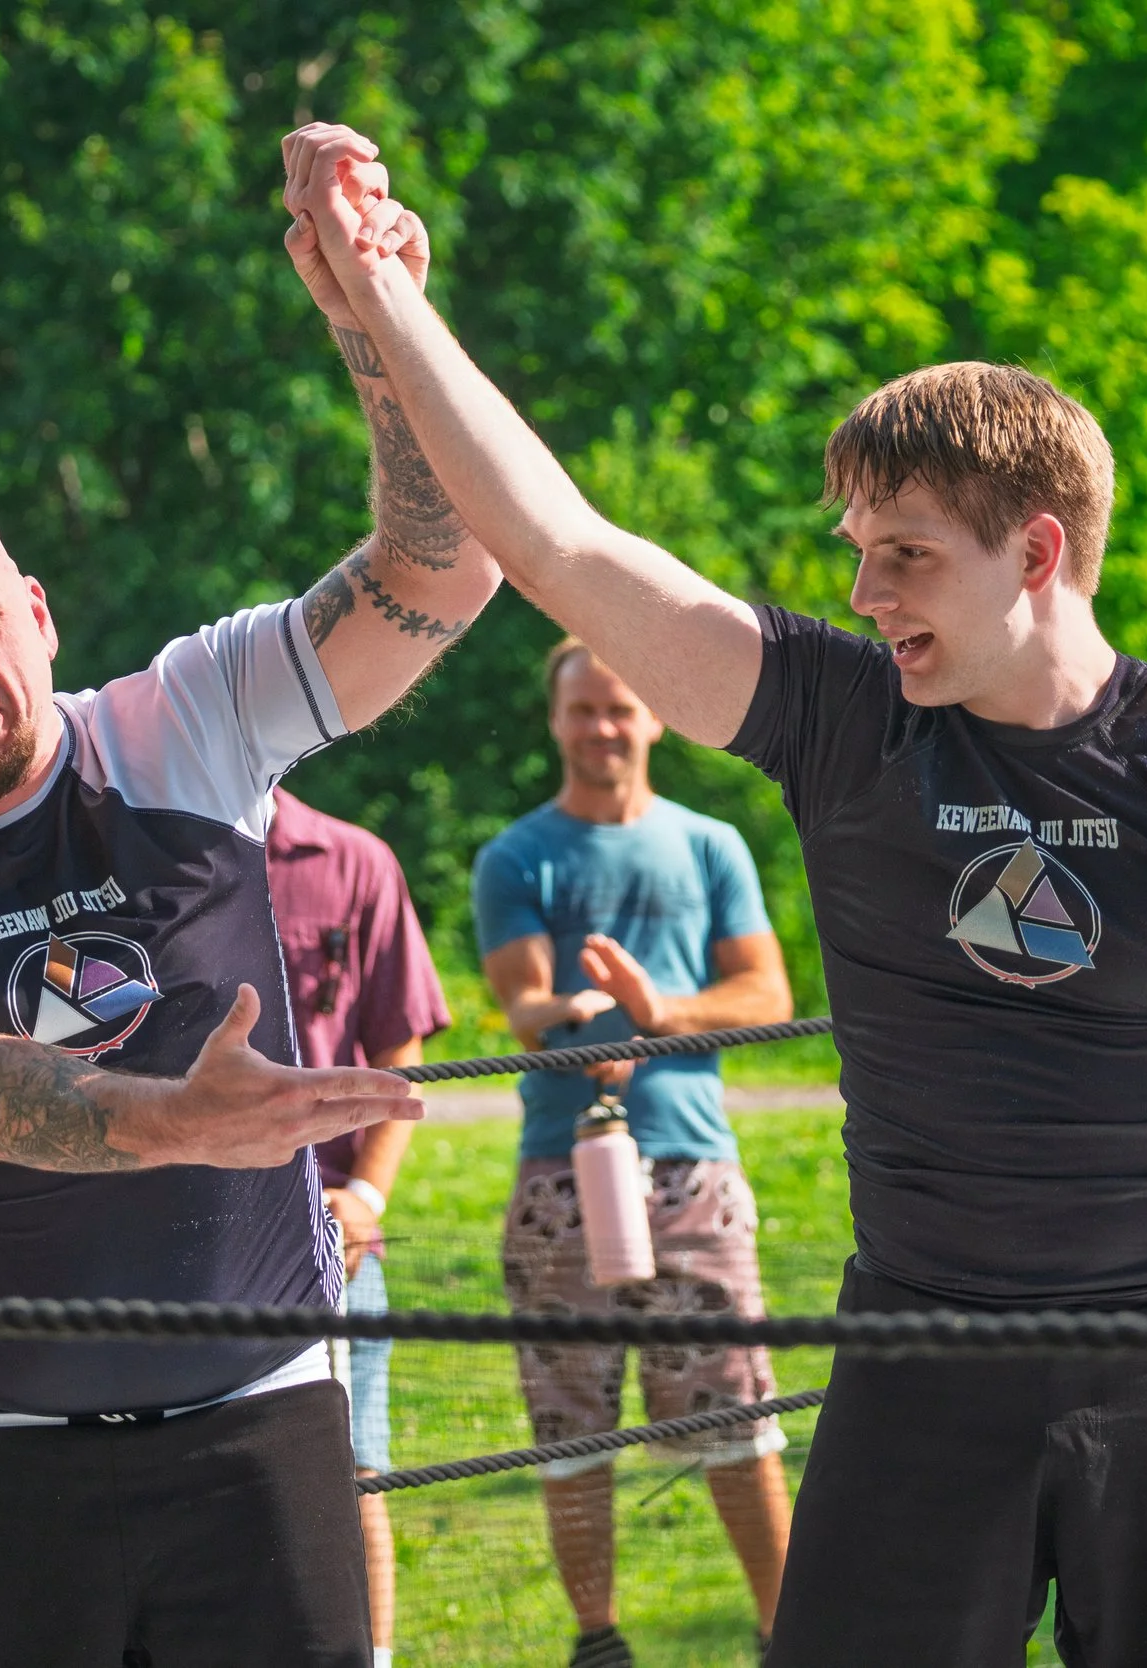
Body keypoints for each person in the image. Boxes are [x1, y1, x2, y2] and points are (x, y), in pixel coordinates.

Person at [283, 123, 1147, 1666]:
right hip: (915, 1353)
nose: (862, 593)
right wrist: (382, 296)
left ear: (1036, 552)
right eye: (856, 553)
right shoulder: (845, 717)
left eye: (902, 556)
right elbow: (560, 545)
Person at [0, 192, 500, 1663]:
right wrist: (179, 1121)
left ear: (38, 613)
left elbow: (443, 570)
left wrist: (374, 320)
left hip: (265, 1413)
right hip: (8, 1450)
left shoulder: (190, 718)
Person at [471, 640, 793, 1666]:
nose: (601, 728)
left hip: (693, 1173)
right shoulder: (517, 857)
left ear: (653, 716)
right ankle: (597, 1643)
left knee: (739, 1423)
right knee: (573, 1434)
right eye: (581, 711)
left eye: (619, 709)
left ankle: (787, 1635)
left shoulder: (712, 846)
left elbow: (766, 997)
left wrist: (659, 1016)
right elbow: (522, 1002)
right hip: (559, 1177)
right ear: (553, 721)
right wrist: (572, 1015)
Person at [262, 785, 454, 1668]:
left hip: (331, 1246)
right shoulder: (141, 857)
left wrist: (368, 1196)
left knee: (354, 1475)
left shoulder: (355, 861)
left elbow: (399, 1045)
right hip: (180, 1247)